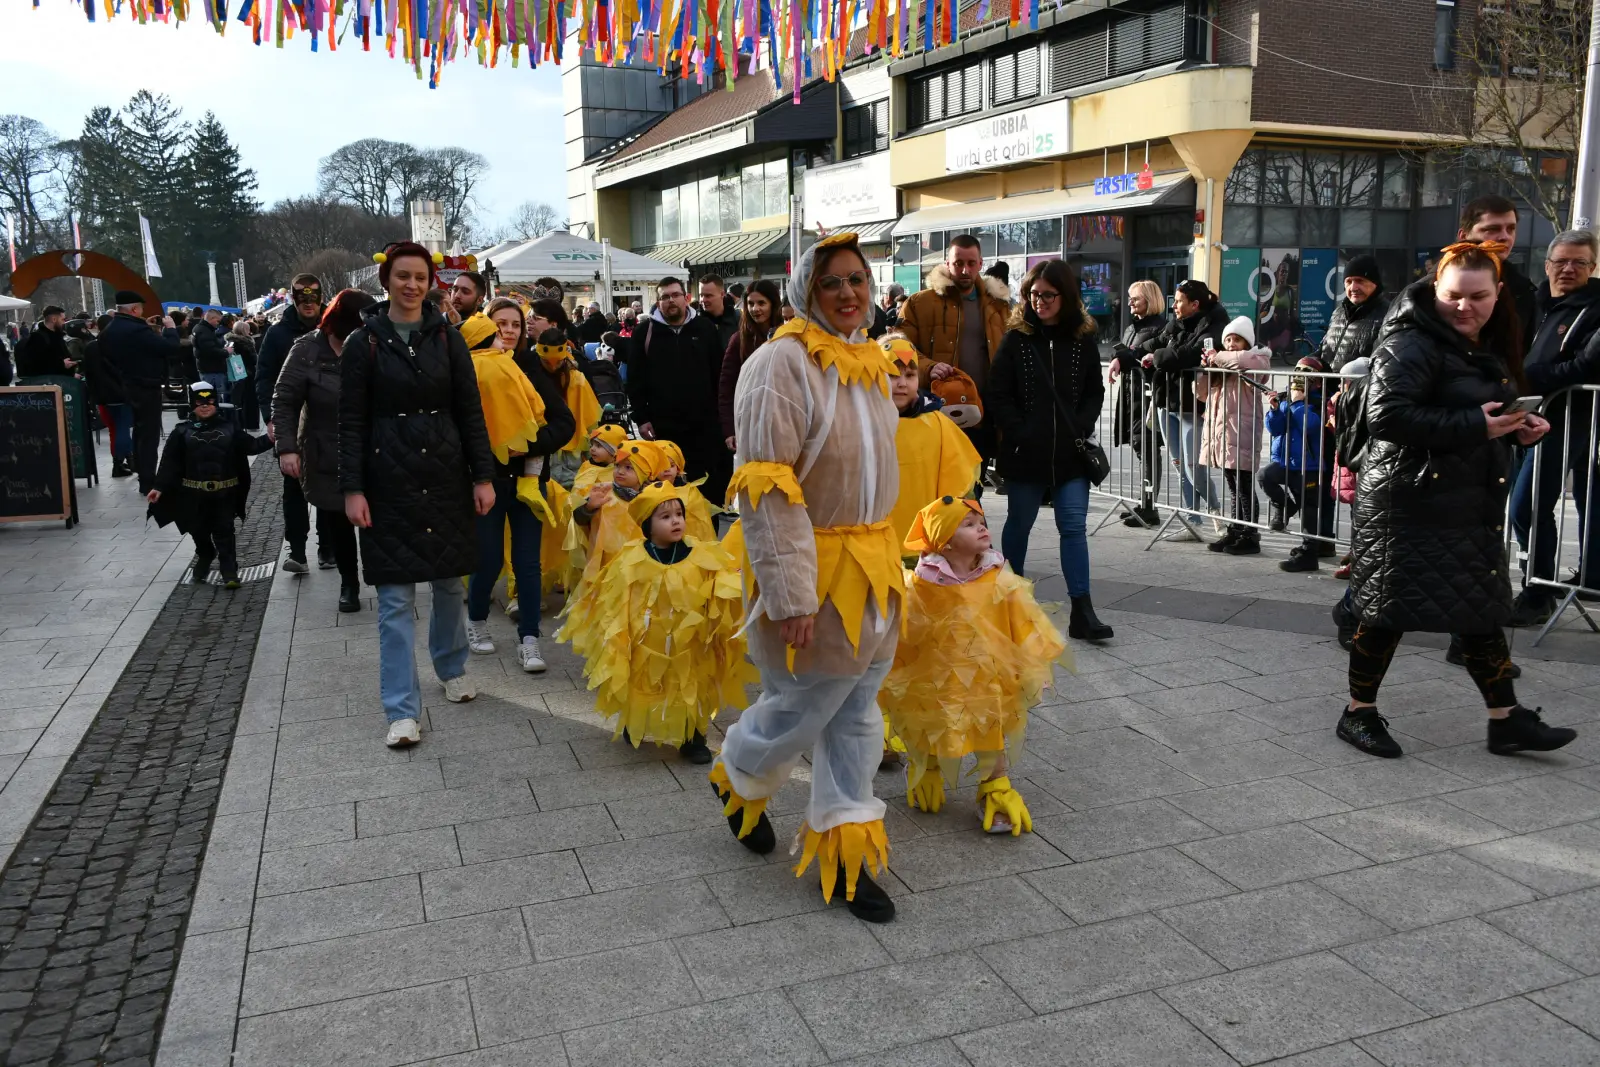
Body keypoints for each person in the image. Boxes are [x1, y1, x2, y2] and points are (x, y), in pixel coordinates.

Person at [711, 232, 902, 923]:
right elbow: (766, 489)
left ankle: (845, 853)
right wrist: (790, 593)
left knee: (856, 714)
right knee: (803, 706)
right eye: (832, 283)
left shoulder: (869, 360)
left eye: (858, 280)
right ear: (805, 292)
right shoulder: (776, 365)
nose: (849, 293)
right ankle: (739, 769)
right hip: (813, 569)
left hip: (873, 571)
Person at [1338, 240, 1575, 761]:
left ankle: (1506, 719)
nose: (1465, 307)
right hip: (1407, 499)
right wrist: (1478, 424)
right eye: (1453, 296)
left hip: (1464, 499)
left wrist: (1516, 429)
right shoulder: (1409, 341)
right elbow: (1388, 417)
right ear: (1434, 291)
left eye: (1479, 296)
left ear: (1497, 296)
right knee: (1386, 612)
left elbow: (1482, 409)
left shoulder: (1485, 341)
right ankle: (1358, 712)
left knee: (1479, 611)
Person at [339, 242, 497, 748]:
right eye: (402, 276)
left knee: (451, 583)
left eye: (420, 277)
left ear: (432, 284)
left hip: (446, 475)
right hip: (388, 481)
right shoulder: (363, 342)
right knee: (393, 599)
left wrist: (482, 475)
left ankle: (451, 667)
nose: (411, 285)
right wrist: (352, 489)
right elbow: (350, 423)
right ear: (386, 280)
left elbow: (470, 411)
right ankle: (401, 709)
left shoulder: (448, 338)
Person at [878, 496, 1068, 833]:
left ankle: (995, 788)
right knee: (933, 722)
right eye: (967, 524)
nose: (981, 527)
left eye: (980, 521)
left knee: (989, 730)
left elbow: (1024, 620)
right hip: (934, 676)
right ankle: (927, 766)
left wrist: (1036, 664)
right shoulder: (923, 584)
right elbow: (906, 631)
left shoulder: (997, 576)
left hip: (989, 677)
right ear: (944, 541)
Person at [558, 480, 756, 764]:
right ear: (646, 525)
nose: (676, 521)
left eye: (679, 515)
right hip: (645, 637)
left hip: (690, 640)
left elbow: (719, 586)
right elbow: (616, 598)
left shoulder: (702, 554)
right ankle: (635, 721)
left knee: (690, 684)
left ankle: (692, 737)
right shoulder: (632, 558)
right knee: (643, 678)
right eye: (665, 517)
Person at [986, 258, 1113, 642]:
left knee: (1073, 527)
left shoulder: (1082, 340)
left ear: (1066, 296)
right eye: (1033, 294)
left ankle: (1082, 610)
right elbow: (998, 393)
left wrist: (1083, 423)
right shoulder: (1017, 340)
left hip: (1071, 454)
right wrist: (1020, 431)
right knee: (1020, 525)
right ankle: (1010, 604)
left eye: (1047, 295)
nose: (1038, 301)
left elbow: (1095, 390)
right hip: (1027, 453)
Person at [465, 310, 575, 673]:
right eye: (501, 327)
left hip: (529, 479)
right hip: (485, 480)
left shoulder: (529, 368)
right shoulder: (469, 367)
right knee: (489, 558)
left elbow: (562, 423)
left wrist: (524, 446)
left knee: (529, 563)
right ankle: (476, 618)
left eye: (516, 325)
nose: (509, 332)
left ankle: (529, 639)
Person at [1510, 228, 1600, 625]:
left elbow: (1588, 366)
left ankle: (1539, 591)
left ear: (1592, 267)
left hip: (1570, 419)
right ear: (1546, 265)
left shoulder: (1595, 308)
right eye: (1560, 261)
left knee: (1527, 507)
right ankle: (1554, 581)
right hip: (1529, 417)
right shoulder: (1538, 305)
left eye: (1578, 262)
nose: (1568, 269)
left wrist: (1532, 377)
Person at [272, 289, 377, 614]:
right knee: (338, 517)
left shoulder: (374, 343)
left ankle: (384, 578)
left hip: (372, 444)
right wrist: (287, 448)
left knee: (377, 516)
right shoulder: (307, 349)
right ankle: (349, 583)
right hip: (325, 445)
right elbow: (285, 398)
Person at [899, 234, 1011, 461]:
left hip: (984, 415)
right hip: (935, 412)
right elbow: (898, 349)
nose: (965, 270)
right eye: (958, 263)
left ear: (981, 264)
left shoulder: (998, 307)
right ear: (947, 263)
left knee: (973, 487)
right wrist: (928, 368)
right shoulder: (919, 304)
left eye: (971, 263)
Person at [147, 382, 271, 588]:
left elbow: (252, 446)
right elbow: (169, 462)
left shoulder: (230, 428)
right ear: (192, 403)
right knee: (198, 530)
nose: (205, 405)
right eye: (199, 401)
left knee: (224, 530)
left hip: (224, 493)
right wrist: (158, 487)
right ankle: (205, 553)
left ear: (216, 401)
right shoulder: (181, 432)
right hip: (193, 495)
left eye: (210, 400)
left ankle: (229, 570)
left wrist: (273, 437)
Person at [627, 276, 731, 504]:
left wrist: (722, 419)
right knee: (669, 495)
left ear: (686, 298)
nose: (670, 301)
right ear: (658, 302)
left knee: (706, 495)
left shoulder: (704, 328)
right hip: (663, 429)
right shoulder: (644, 332)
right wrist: (641, 418)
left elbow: (719, 375)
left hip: (704, 429)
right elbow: (635, 380)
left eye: (675, 295)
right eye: (665, 297)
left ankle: (706, 537)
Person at [881, 334, 982, 551]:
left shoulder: (937, 424)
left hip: (924, 542)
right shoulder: (863, 424)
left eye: (909, 375)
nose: (901, 383)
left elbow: (959, 482)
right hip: (875, 542)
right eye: (891, 374)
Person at [1144, 279, 1228, 538]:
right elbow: (1154, 341)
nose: (1175, 306)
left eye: (1179, 301)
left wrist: (1156, 357)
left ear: (1195, 304)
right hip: (1165, 401)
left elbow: (1185, 355)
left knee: (1194, 467)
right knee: (1180, 465)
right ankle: (1192, 521)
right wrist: (1126, 356)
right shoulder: (1175, 324)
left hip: (1192, 405)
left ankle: (1216, 512)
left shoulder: (1215, 326)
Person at [259, 275, 326, 573]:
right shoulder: (277, 334)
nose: (309, 306)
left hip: (326, 418)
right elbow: (264, 377)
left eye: (314, 300)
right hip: (292, 419)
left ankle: (328, 547)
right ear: (295, 302)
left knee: (329, 480)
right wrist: (271, 418)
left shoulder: (332, 328)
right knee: (293, 484)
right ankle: (297, 549)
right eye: (303, 301)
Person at [1197, 316, 1272, 556]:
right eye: (1228, 339)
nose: (1231, 344)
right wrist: (1208, 369)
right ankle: (1235, 529)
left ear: (1247, 342)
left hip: (1243, 432)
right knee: (1232, 485)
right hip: (1224, 434)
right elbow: (1199, 393)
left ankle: (1250, 535)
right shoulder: (1223, 366)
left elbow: (1249, 362)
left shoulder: (1257, 358)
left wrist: (1217, 357)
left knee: (1245, 486)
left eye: (1237, 339)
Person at [99, 290, 181, 494]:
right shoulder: (136, 331)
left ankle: (142, 475)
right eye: (141, 309)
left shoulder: (109, 330)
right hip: (145, 386)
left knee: (137, 433)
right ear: (134, 309)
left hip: (125, 386)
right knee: (148, 436)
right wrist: (171, 329)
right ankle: (148, 481)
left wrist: (146, 326)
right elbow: (169, 348)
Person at [1262, 356, 1336, 570]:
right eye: (1297, 369)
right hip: (1286, 461)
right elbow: (1275, 429)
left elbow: (1309, 426)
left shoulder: (1320, 401)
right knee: (1265, 476)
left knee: (1309, 508)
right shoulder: (1287, 397)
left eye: (1307, 371)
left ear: (1318, 380)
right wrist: (1275, 409)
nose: (1300, 375)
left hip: (1309, 465)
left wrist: (1297, 403)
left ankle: (1309, 552)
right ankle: (1285, 505)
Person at [1109, 280, 1169, 527]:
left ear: (1149, 300)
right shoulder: (1134, 326)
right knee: (1138, 446)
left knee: (1147, 448)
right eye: (1130, 298)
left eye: (1135, 298)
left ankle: (1149, 507)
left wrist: (1125, 359)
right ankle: (1143, 502)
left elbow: (1148, 358)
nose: (1131, 302)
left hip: (1146, 396)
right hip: (1130, 395)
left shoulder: (1159, 328)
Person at [717, 278, 781, 453]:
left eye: (761, 303)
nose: (755, 309)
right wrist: (729, 429)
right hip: (750, 421)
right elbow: (726, 386)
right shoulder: (739, 339)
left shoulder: (787, 336)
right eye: (751, 303)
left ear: (773, 304)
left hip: (783, 419)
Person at [1458, 195, 1537, 333]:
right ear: (1464, 236)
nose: (1504, 237)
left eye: (1511, 229)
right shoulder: (1427, 289)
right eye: (1492, 229)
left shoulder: (1524, 290)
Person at [1322, 255, 1391, 372]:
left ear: (1375, 283)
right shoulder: (1338, 313)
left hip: (1360, 389)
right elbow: (1323, 352)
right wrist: (1308, 363)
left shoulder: (1390, 315)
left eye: (1360, 281)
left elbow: (1386, 366)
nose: (1353, 287)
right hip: (1329, 389)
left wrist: (1353, 388)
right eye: (1348, 281)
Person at [14, 306, 75, 378]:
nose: (64, 322)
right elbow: (37, 364)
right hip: (47, 384)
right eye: (62, 319)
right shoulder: (38, 338)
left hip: (61, 380)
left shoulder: (58, 335)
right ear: (54, 319)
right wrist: (61, 365)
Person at [191, 307, 231, 403]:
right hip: (212, 369)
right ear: (212, 318)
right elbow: (210, 351)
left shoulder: (201, 329)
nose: (218, 323)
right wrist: (226, 352)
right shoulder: (204, 331)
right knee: (215, 398)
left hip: (208, 368)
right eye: (217, 321)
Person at [229, 319, 261, 431]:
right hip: (249, 373)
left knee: (239, 399)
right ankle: (251, 424)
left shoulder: (230, 342)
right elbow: (253, 359)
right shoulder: (247, 343)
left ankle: (240, 423)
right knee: (250, 400)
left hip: (237, 373)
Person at [698, 274, 740, 353]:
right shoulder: (694, 323)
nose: (703, 300)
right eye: (701, 295)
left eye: (708, 296)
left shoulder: (739, 320)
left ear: (722, 294)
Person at [449, 271, 491, 340]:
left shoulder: (487, 329)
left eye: (465, 292)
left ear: (479, 300)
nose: (457, 295)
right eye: (455, 289)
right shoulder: (437, 323)